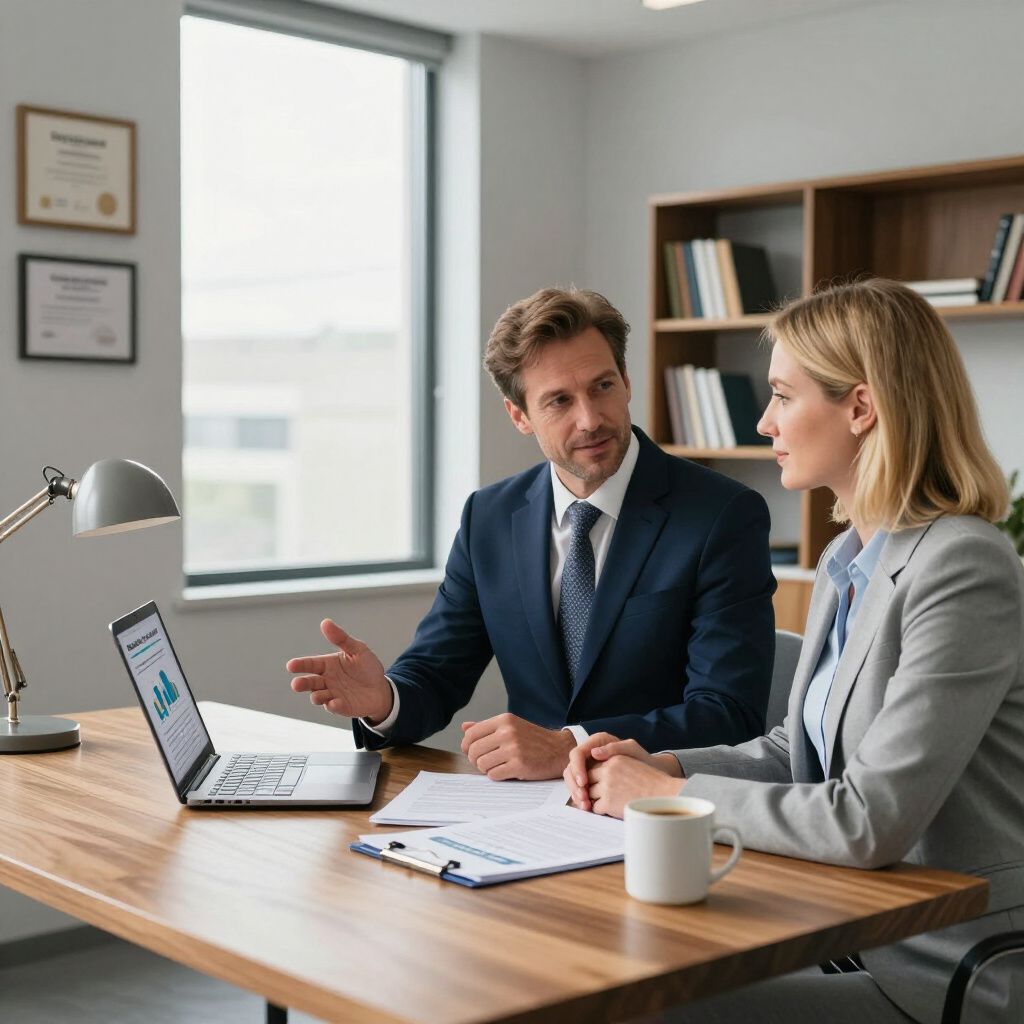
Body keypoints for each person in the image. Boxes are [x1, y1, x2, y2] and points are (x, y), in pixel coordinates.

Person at [565, 278, 1024, 1023]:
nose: (763, 419)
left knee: (632, 1007)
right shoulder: (850, 555)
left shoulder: (965, 566)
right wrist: (666, 763)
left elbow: (868, 817)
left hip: (939, 967)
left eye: (783, 394)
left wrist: (662, 798)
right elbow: (797, 749)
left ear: (861, 407)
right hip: (839, 928)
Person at [287, 286, 776, 780]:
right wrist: (383, 700)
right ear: (519, 415)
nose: (590, 419)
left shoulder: (723, 515)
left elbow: (729, 712)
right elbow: (437, 673)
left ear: (627, 381)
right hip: (524, 813)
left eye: (603, 386)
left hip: (654, 810)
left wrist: (570, 746)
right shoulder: (489, 517)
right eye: (559, 401)